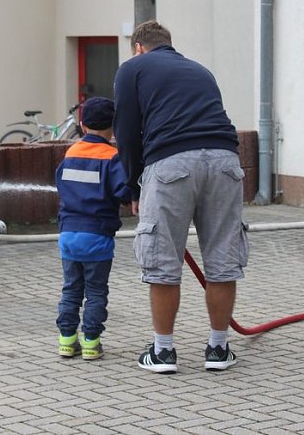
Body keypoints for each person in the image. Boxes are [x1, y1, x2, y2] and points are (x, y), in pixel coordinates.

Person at [113, 20, 249, 374]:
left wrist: (132, 186)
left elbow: (126, 131)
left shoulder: (133, 68)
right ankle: (218, 349)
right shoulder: (200, 70)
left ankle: (163, 353)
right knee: (222, 258)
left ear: (139, 47)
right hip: (225, 162)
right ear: (169, 45)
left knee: (162, 261)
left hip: (171, 163)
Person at [54, 97, 131, 360]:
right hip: (97, 237)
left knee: (71, 289)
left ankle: (66, 340)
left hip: (68, 236)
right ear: (113, 127)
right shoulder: (112, 156)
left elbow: (62, 186)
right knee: (96, 292)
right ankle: (90, 342)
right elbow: (123, 191)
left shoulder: (71, 153)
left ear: (83, 125)